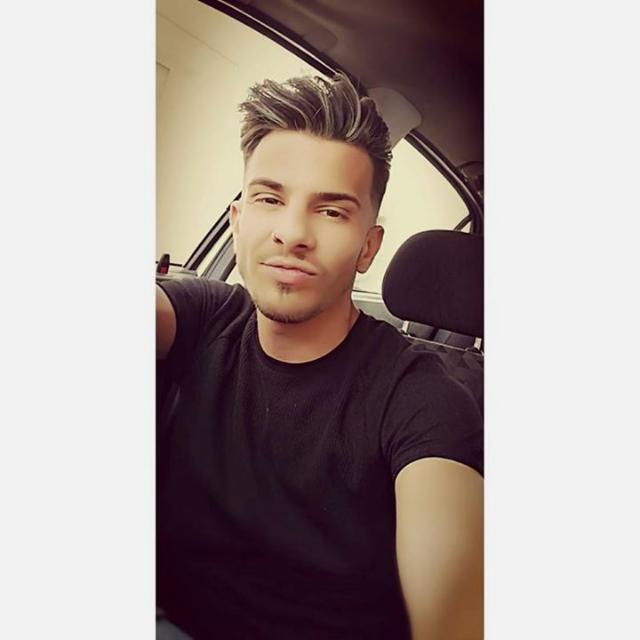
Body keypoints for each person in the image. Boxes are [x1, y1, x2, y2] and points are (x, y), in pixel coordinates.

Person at [156, 73, 483, 640]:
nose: (292, 233)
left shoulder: (424, 400)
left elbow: (454, 614)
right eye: (269, 198)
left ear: (368, 248)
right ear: (237, 221)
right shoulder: (202, 317)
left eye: (331, 211)